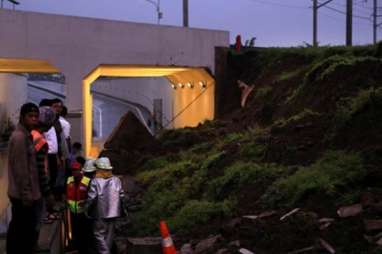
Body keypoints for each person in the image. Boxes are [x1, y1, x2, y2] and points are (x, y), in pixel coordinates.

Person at [6, 103, 42, 254]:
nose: (33, 119)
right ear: (22, 117)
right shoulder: (20, 137)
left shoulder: (26, 135)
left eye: (35, 116)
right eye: (30, 116)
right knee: (21, 232)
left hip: (24, 194)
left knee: (20, 229)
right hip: (22, 195)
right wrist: (27, 195)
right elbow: (21, 170)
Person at [86, 157, 124, 254]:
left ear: (99, 169)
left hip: (100, 213)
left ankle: (105, 252)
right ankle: (106, 251)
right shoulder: (117, 180)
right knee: (109, 236)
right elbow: (122, 196)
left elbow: (91, 198)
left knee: (98, 234)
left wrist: (86, 209)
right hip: (114, 213)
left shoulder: (95, 181)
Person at [66, 161, 91, 254]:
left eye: (76, 170)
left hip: (83, 213)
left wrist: (85, 202)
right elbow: (66, 192)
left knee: (84, 233)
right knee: (75, 232)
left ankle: (84, 250)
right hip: (73, 212)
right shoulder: (69, 180)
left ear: (81, 171)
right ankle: (76, 248)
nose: (74, 172)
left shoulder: (87, 181)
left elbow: (91, 196)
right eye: (72, 170)